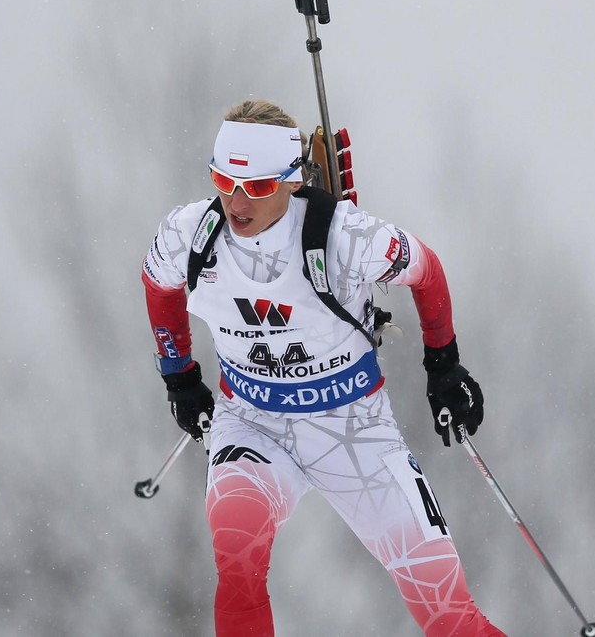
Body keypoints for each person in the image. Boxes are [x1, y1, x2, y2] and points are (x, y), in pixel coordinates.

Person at [141, 100, 506, 636]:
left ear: (290, 181)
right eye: (224, 179)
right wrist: (180, 377)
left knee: (446, 611)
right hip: (252, 424)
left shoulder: (347, 237)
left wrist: (443, 364)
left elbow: (425, 270)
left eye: (258, 186)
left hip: (354, 431)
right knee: (237, 560)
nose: (236, 200)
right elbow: (159, 287)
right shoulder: (188, 235)